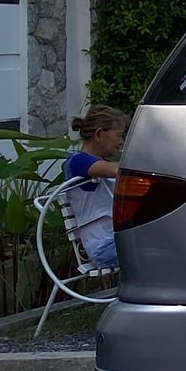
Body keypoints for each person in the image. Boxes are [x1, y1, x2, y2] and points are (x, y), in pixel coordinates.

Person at [65, 105, 127, 271]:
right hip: (104, 246)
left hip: (117, 241)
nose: (121, 142)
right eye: (119, 136)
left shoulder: (98, 162)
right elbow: (115, 170)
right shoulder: (77, 162)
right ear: (99, 134)